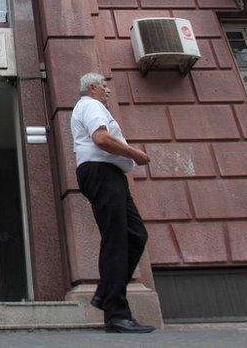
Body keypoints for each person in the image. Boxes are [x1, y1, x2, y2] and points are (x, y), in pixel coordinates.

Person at [70, 72, 154, 334]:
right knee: (116, 238)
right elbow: (101, 139)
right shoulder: (91, 104)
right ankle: (116, 314)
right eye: (105, 87)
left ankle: (107, 293)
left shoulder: (92, 106)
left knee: (135, 235)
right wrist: (136, 155)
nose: (108, 91)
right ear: (92, 87)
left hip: (110, 174)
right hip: (101, 172)